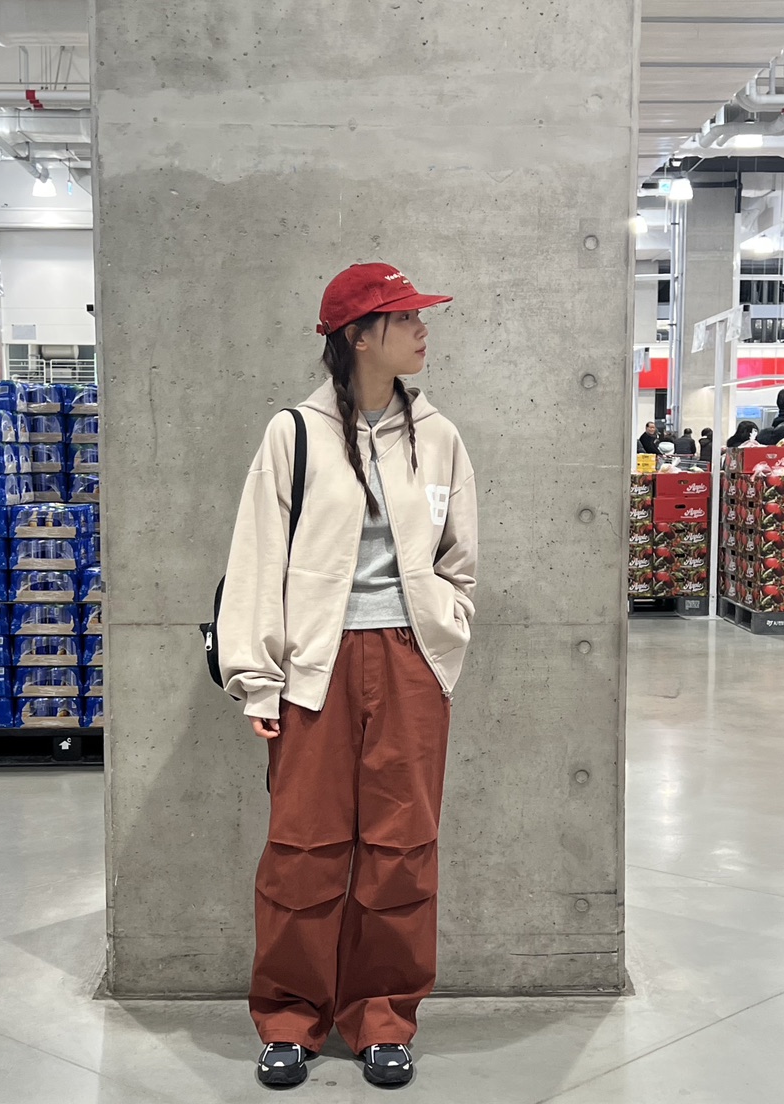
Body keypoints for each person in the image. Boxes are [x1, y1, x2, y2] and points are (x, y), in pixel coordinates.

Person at [218, 262, 478, 1090]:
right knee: (303, 850)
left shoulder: (438, 435)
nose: (423, 329)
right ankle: (290, 1018)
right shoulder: (293, 434)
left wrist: (445, 629)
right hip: (314, 669)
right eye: (406, 318)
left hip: (409, 663)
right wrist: (257, 677)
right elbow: (257, 560)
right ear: (359, 335)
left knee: (403, 850)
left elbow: (459, 558)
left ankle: (383, 1017)